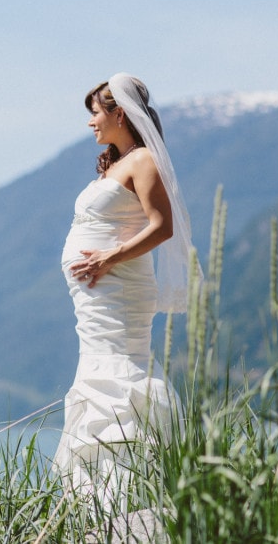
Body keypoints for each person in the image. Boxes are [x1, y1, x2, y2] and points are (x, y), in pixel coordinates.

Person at [53, 72, 197, 511]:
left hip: (119, 288)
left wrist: (108, 258)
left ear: (119, 113)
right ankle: (97, 499)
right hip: (95, 298)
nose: (91, 123)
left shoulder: (143, 161)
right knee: (97, 370)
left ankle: (128, 492)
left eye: (95, 113)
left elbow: (162, 226)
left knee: (117, 372)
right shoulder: (115, 164)